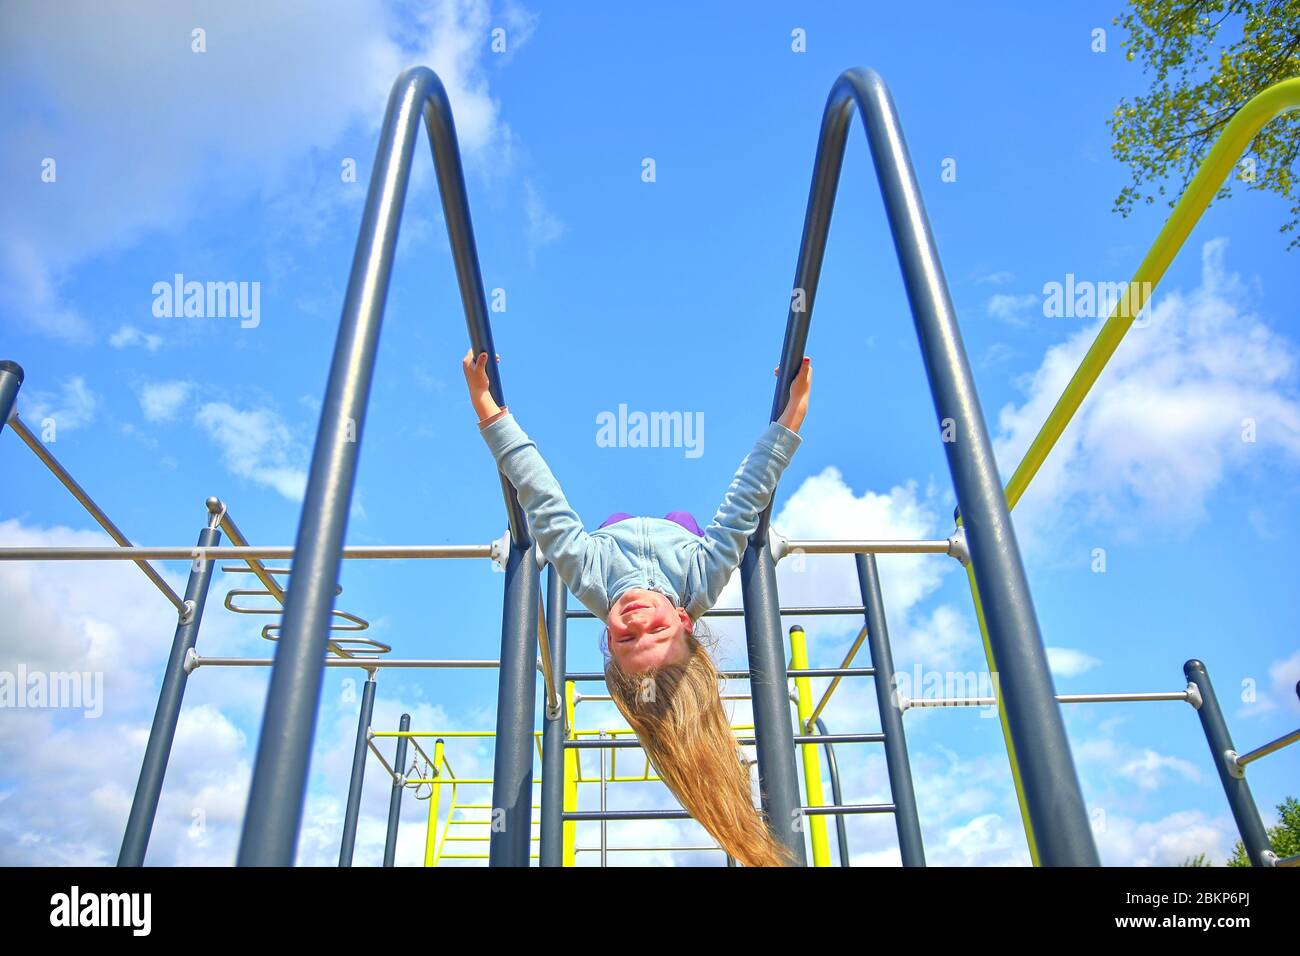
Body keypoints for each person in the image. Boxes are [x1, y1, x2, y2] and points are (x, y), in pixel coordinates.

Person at [463, 348, 812, 866]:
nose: (635, 620)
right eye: (658, 633)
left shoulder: (589, 576)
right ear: (686, 621)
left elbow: (540, 495)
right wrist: (790, 416)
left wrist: (487, 407)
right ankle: (677, 540)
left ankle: (627, 553)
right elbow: (746, 500)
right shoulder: (701, 581)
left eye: (625, 638)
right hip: (680, 538)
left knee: (608, 521)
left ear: (608, 634)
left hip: (615, 535)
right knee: (692, 520)